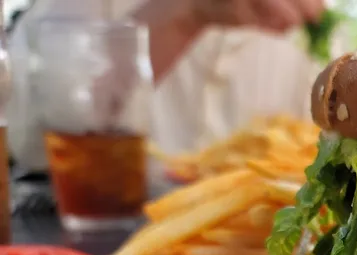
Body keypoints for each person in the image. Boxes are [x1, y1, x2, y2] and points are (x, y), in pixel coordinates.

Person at [7, 0, 328, 173]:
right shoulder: (81, 9)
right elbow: (29, 142)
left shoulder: (315, 28)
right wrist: (181, 13)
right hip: (103, 253)